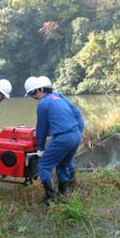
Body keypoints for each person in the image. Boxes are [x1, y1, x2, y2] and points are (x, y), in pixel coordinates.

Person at [24, 76, 84, 204]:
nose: (32, 97)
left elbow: (42, 128)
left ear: (40, 89)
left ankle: (51, 198)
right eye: (30, 94)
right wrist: (80, 131)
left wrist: (40, 148)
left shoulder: (43, 104)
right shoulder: (59, 96)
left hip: (62, 138)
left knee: (44, 166)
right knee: (63, 165)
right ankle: (65, 193)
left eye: (33, 93)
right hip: (75, 135)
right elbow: (77, 112)